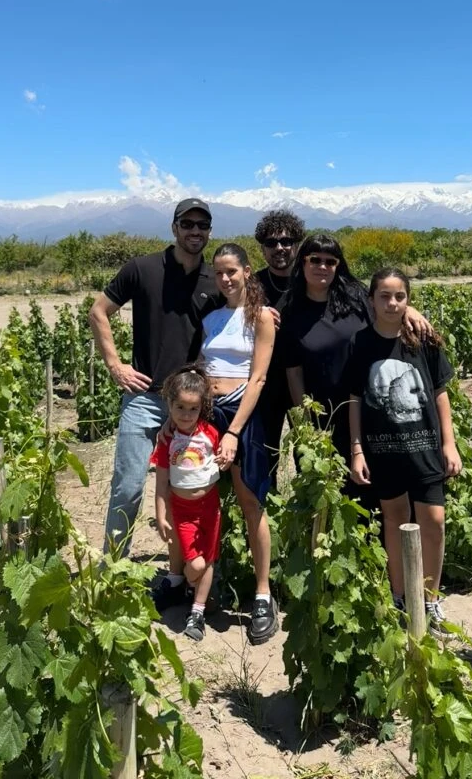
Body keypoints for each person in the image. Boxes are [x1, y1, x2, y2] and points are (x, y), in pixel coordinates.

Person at [89, 197, 224, 612]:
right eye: (188, 223)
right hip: (145, 398)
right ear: (174, 227)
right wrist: (115, 365)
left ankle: (185, 575)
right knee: (128, 486)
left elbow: (243, 313)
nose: (195, 231)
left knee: (196, 489)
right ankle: (112, 571)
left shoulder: (213, 280)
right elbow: (98, 310)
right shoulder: (142, 269)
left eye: (202, 225)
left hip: (190, 405)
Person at [347, 267, 462, 632]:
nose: (392, 303)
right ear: (371, 301)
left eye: (400, 296)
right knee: (394, 520)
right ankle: (400, 598)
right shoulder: (359, 344)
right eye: (384, 296)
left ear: (408, 300)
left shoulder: (423, 340)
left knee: (434, 522)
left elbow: (441, 395)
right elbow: (354, 400)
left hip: (425, 446)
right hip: (383, 449)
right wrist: (357, 450)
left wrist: (449, 442)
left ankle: (430, 600)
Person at [282, 233, 432, 506]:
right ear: (302, 263)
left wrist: (409, 310)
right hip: (322, 422)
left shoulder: (355, 297)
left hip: (367, 412)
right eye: (315, 259)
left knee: (372, 493)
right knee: (325, 498)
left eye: (331, 261)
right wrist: (304, 425)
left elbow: (389, 305)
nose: (322, 266)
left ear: (339, 265)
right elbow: (293, 373)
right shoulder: (291, 311)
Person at [199, 242, 278, 643]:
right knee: (202, 500)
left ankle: (262, 594)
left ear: (248, 271)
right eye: (219, 273)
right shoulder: (211, 318)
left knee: (250, 502)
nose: (226, 278)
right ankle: (203, 586)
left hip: (242, 418)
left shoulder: (262, 317)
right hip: (209, 415)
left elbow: (259, 378)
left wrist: (233, 432)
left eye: (232, 270)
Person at [152, 367, 221, 641]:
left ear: (201, 408)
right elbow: (161, 482)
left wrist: (224, 459)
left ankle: (198, 611)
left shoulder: (210, 434)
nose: (185, 414)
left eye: (192, 409)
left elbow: (220, 458)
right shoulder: (166, 439)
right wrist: (160, 514)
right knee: (195, 564)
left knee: (209, 558)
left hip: (210, 507)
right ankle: (193, 587)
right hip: (182, 511)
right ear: (168, 403)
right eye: (179, 406)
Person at [253, 210, 306, 483]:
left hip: (307, 384)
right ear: (262, 248)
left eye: (286, 241)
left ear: (297, 244)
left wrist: (407, 312)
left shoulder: (312, 279)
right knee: (266, 457)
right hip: (266, 386)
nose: (280, 248)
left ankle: (310, 521)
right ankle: (266, 518)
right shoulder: (252, 286)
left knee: (308, 454)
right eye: (271, 243)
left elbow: (361, 297)